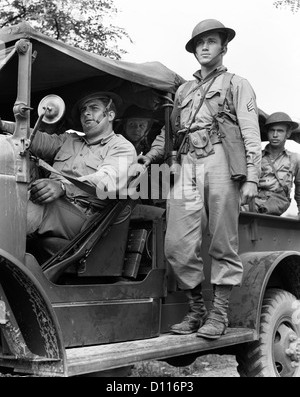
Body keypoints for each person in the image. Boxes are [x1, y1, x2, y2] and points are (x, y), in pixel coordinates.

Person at [140, 19, 262, 340]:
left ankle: (218, 314)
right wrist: (151, 157)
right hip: (187, 162)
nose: (204, 47)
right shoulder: (184, 90)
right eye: (199, 43)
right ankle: (196, 311)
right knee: (177, 243)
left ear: (224, 47)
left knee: (223, 239)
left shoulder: (237, 83)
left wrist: (252, 177)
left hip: (221, 158)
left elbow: (250, 131)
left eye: (211, 41)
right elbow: (171, 132)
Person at [0, 91, 137, 240]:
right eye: (83, 110)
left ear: (110, 115)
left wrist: (64, 187)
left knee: (34, 203)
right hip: (54, 203)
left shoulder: (122, 147)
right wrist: (4, 125)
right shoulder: (70, 139)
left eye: (94, 108)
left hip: (86, 218)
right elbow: (40, 140)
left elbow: (108, 180)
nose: (86, 113)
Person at [246, 112, 300, 217]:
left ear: (288, 134)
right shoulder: (257, 156)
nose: (275, 135)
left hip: (278, 199)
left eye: (280, 131)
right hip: (254, 198)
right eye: (272, 130)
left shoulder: (294, 159)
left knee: (258, 209)